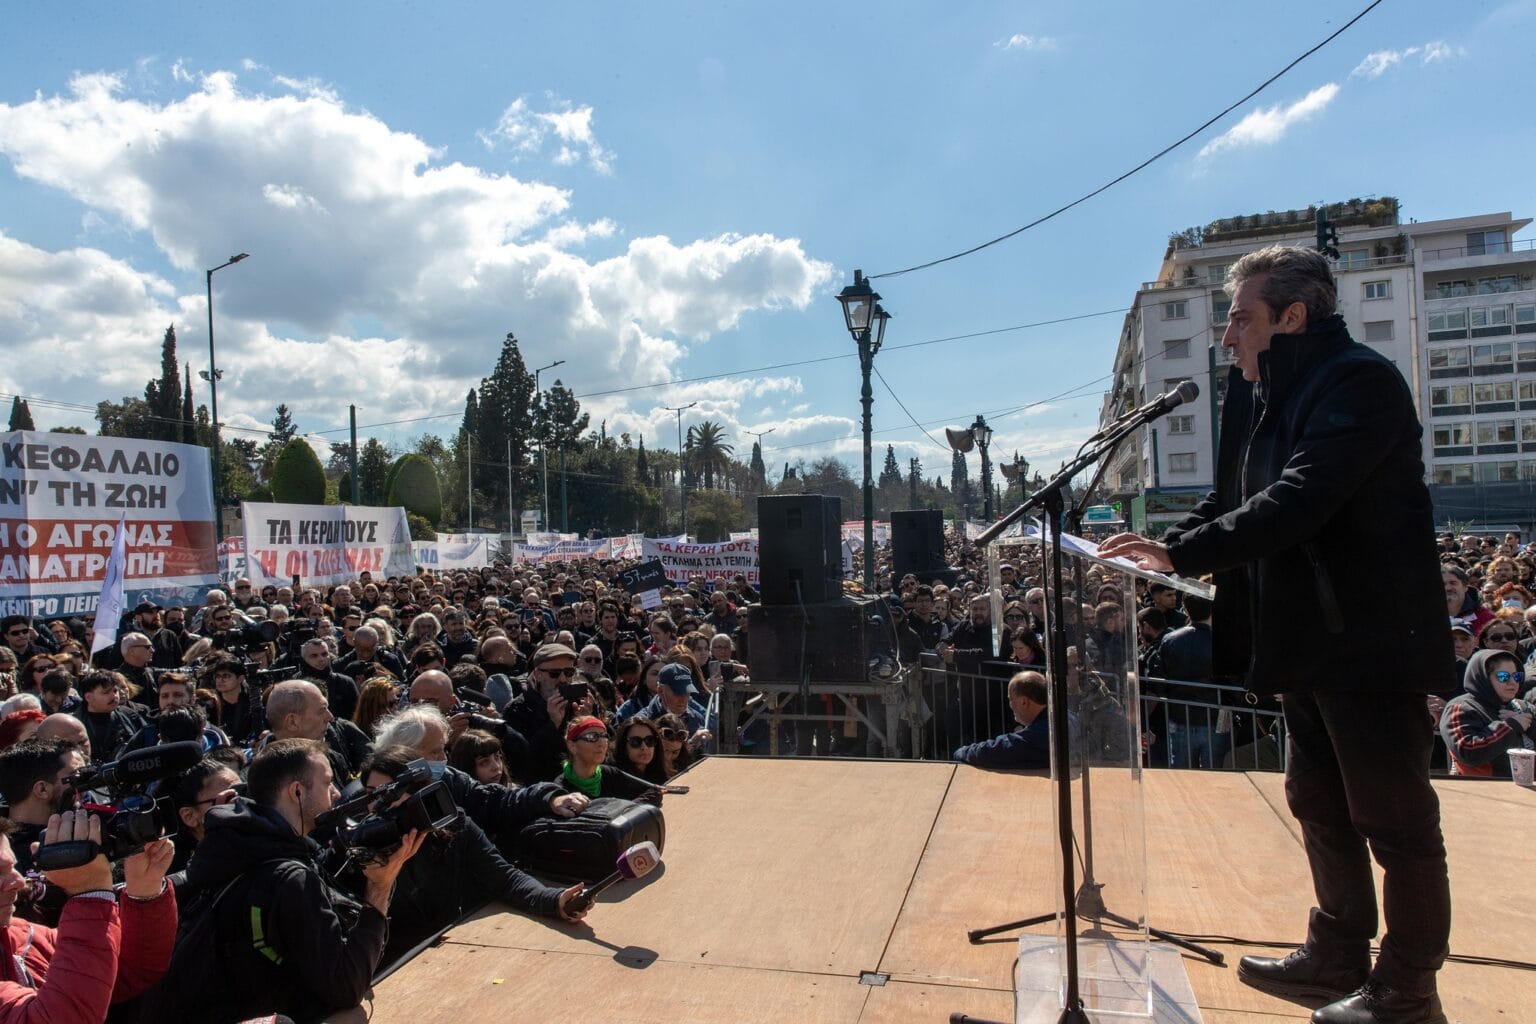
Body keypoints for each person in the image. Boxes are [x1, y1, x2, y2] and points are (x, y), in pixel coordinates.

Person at [1100, 245, 1453, 1024]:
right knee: (1317, 802)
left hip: (1368, 641)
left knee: (1394, 821)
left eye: (1240, 318)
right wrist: (1152, 548)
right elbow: (1231, 498)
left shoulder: (1358, 381)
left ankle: (1408, 989)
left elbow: (1303, 497)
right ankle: (1336, 955)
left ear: (1293, 317)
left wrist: (1183, 551)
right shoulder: (1263, 399)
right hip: (1304, 641)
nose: (1228, 337)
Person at [143, 738, 425, 1022]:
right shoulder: (289, 878)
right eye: (327, 783)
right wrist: (379, 886)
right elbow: (347, 986)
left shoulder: (237, 846)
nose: (337, 793)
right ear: (297, 791)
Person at [355, 744, 586, 971]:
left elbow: (504, 878)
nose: (376, 806)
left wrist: (554, 900)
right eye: (370, 795)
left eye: (387, 795)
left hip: (459, 958)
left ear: (418, 792)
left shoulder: (456, 826)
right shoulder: (357, 848)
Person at [0, 810, 177, 1023]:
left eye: (13, 867)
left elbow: (125, 972)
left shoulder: (23, 936)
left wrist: (143, 890)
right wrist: (89, 893)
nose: (19, 882)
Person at [1439, 648, 1534, 778]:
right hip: (1479, 791)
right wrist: (1510, 726)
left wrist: (1530, 727)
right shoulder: (1460, 707)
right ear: (1483, 677)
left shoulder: (1522, 706)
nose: (1512, 682)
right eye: (1503, 677)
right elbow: (1467, 751)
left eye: (1517, 676)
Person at [952, 671, 1052, 770]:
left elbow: (996, 750)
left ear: (1024, 702)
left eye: (1010, 699)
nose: (1010, 705)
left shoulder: (1037, 735)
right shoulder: (1059, 717)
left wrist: (962, 752)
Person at [555, 715, 659, 803]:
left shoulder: (609, 773)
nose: (601, 743)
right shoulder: (561, 789)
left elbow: (649, 792)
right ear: (572, 746)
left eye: (604, 736)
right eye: (592, 737)